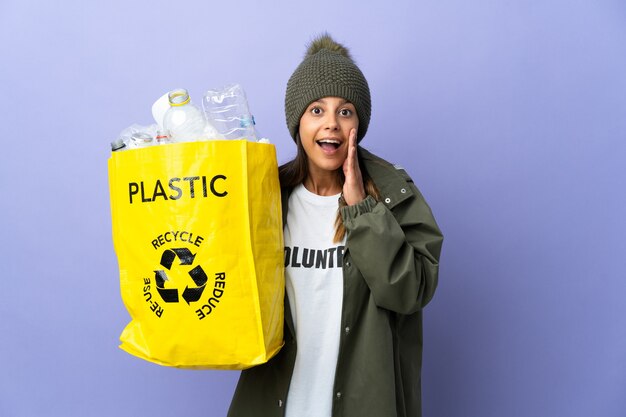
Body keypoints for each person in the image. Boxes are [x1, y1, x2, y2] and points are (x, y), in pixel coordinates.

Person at [228, 33, 443, 417]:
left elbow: (410, 292)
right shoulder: (266, 197)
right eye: (316, 111)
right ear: (297, 124)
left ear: (358, 123)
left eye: (345, 112)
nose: (331, 124)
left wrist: (361, 209)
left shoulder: (393, 195)